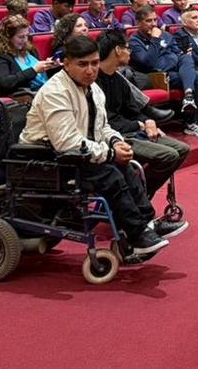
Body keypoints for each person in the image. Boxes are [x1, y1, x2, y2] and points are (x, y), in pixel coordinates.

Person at [18, 35, 177, 258]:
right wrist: (110, 154)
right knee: (110, 174)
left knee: (126, 167)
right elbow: (66, 143)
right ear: (66, 64)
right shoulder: (55, 92)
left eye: (94, 63)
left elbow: (102, 128)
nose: (91, 70)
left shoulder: (93, 89)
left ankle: (146, 223)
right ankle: (136, 233)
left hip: (76, 154)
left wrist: (116, 142)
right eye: (83, 64)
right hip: (45, 158)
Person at [95, 31, 191, 198]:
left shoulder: (119, 79)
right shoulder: (94, 82)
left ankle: (138, 193)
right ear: (117, 50)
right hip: (115, 136)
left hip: (131, 129)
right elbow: (106, 121)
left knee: (182, 149)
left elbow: (133, 110)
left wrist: (147, 121)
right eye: (127, 48)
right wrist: (139, 125)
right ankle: (137, 195)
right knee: (168, 155)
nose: (130, 52)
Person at [128, 6, 198, 138]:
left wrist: (165, 60)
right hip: (155, 76)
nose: (153, 24)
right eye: (148, 21)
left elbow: (178, 55)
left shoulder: (166, 35)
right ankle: (192, 122)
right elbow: (149, 64)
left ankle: (189, 97)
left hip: (172, 71)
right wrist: (155, 40)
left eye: (155, 20)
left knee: (187, 59)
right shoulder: (134, 41)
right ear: (138, 23)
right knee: (195, 76)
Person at [0, 15, 59, 96]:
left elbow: (41, 75)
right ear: (7, 37)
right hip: (25, 96)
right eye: (21, 37)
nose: (25, 40)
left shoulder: (30, 49)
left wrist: (49, 67)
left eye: (27, 35)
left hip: (45, 90)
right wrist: (34, 70)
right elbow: (5, 82)